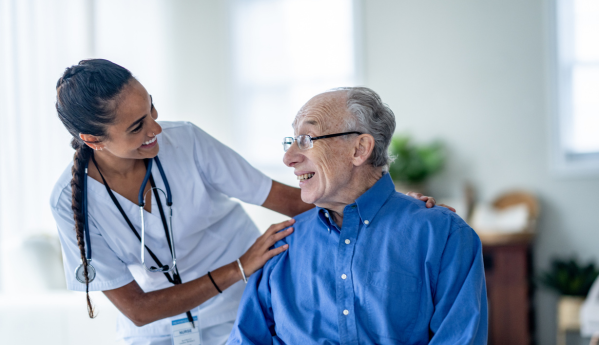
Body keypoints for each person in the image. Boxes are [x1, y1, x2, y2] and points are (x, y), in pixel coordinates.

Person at [50, 60, 443, 345]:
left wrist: (388, 207)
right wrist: (239, 266)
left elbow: (291, 198)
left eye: (150, 108)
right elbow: (138, 309)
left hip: (240, 314)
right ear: (93, 140)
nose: (155, 127)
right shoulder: (71, 202)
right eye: (137, 127)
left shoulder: (184, 141)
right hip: (159, 330)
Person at [228, 87, 488, 345]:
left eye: (307, 139)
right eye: (291, 141)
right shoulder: (282, 246)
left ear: (359, 149)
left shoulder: (443, 234)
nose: (289, 157)